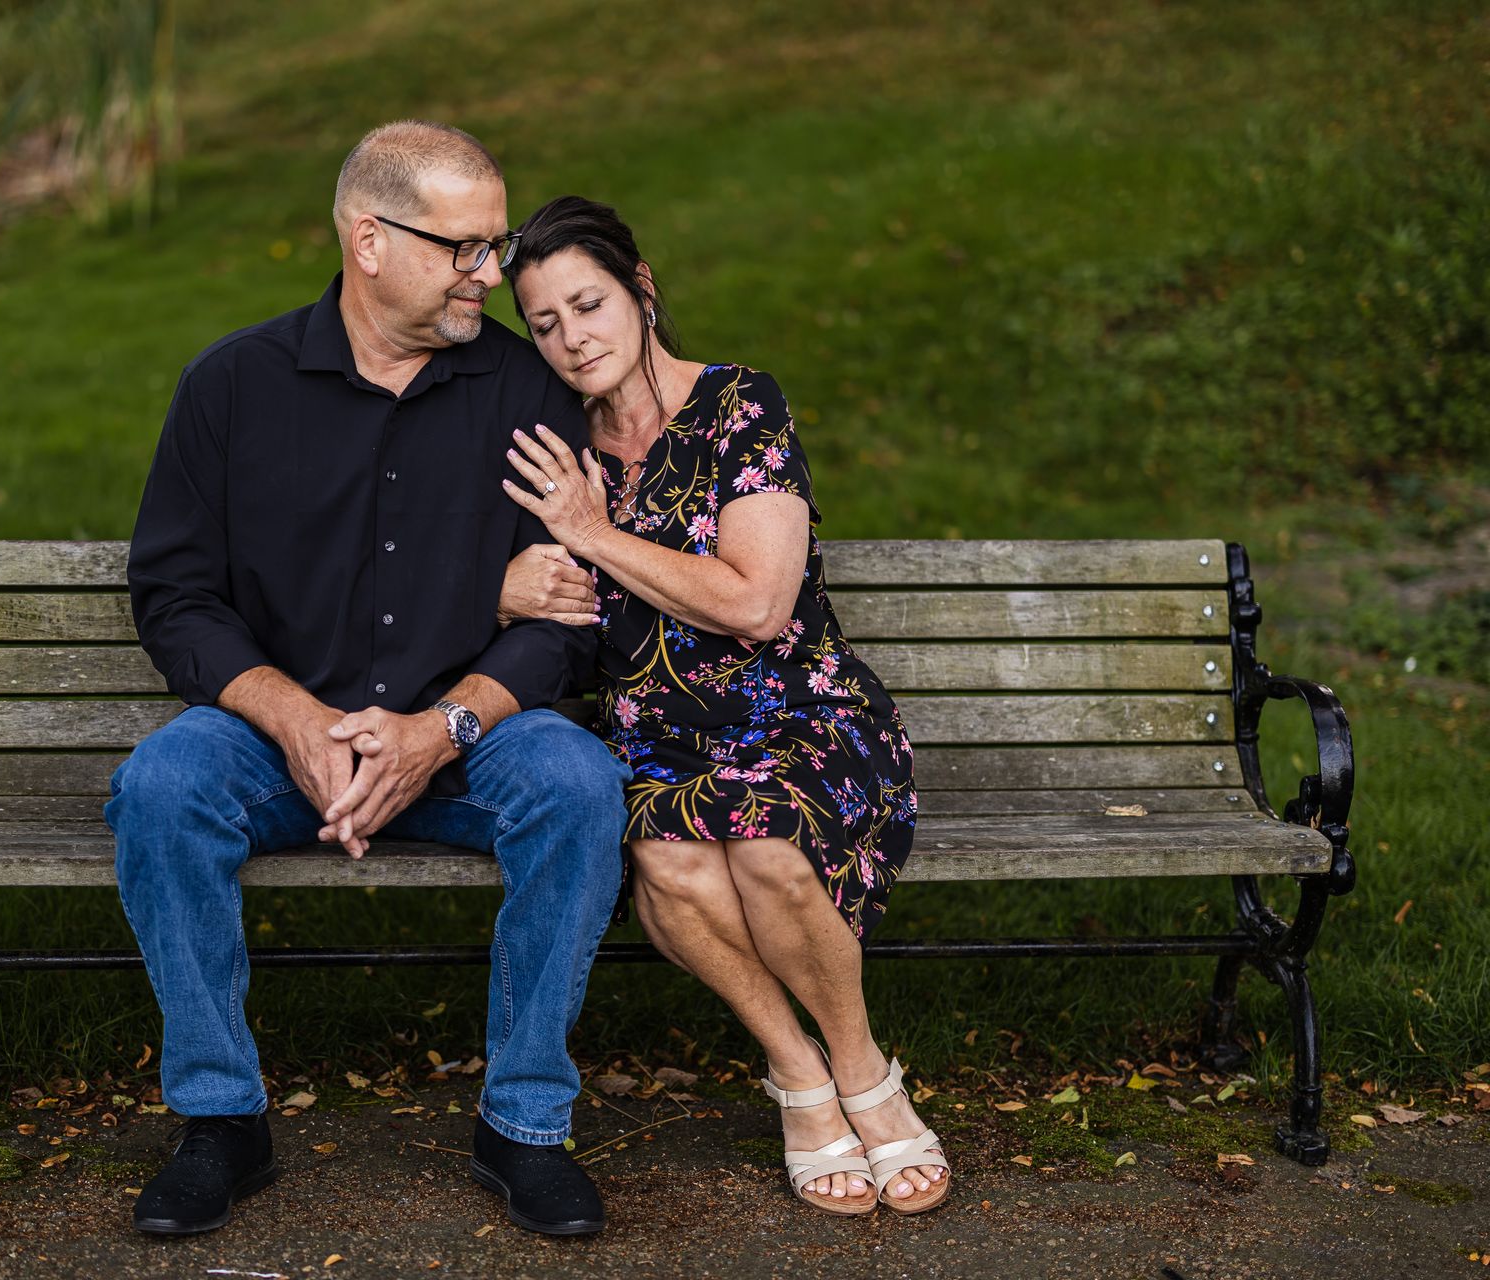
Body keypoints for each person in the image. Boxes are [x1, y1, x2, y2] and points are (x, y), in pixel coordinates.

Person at [106, 125, 630, 1239]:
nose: (493, 275)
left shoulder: (525, 388)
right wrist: (294, 719)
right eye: (466, 248)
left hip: (467, 730)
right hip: (277, 732)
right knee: (162, 786)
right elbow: (177, 595)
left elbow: (569, 620)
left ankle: (524, 1122)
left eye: (496, 246)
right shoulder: (234, 386)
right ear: (371, 240)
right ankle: (221, 1120)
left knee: (578, 784)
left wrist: (442, 727)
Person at [494, 196, 950, 1216]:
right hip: (652, 740)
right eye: (545, 322)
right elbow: (501, 583)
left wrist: (592, 532)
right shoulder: (547, 446)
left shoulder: (741, 405)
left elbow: (755, 602)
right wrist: (505, 585)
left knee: (766, 843)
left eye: (589, 302)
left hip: (802, 718)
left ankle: (863, 1067)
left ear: (642, 292)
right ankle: (798, 1071)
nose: (573, 337)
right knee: (668, 859)